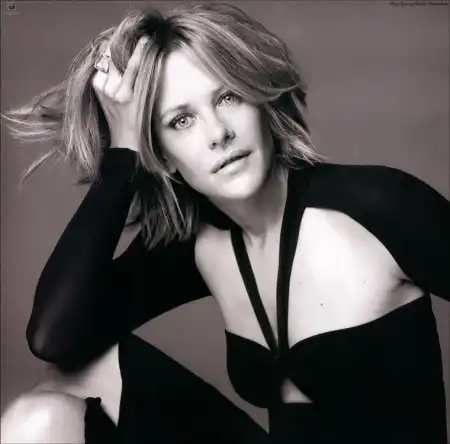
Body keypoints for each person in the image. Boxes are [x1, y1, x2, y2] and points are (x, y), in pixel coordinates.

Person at [2, 3, 449, 443]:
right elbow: (54, 338)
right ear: (160, 154)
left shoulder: (379, 208)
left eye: (228, 97)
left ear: (259, 97)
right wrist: (121, 158)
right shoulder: (202, 244)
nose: (218, 133)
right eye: (181, 121)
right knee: (37, 418)